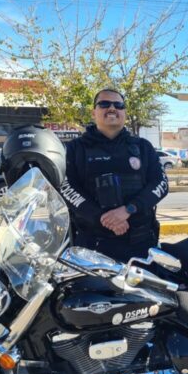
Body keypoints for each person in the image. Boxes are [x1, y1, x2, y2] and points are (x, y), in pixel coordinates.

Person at [60, 88, 169, 262]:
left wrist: (128, 209)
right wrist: (103, 218)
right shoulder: (75, 148)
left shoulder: (142, 147)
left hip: (140, 243)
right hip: (92, 247)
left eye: (118, 105)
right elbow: (66, 187)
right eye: (104, 104)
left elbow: (160, 184)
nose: (112, 108)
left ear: (124, 112)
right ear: (93, 112)